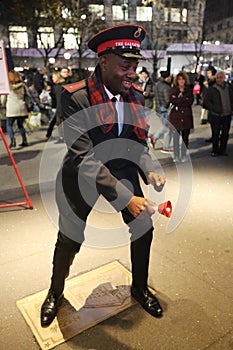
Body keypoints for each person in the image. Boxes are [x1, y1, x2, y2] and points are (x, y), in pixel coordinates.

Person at [40, 24, 166, 327]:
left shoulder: (134, 95)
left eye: (135, 65)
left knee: (143, 226)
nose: (132, 73)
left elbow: (136, 142)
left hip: (121, 170)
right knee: (70, 237)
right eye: (125, 65)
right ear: (104, 61)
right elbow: (84, 157)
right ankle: (55, 293)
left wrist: (148, 165)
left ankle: (139, 288)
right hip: (83, 175)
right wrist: (127, 198)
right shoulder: (75, 98)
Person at [203, 71, 233, 157]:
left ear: (224, 78)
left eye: (221, 77)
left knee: (225, 134)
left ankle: (222, 150)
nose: (220, 79)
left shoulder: (229, 88)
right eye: (218, 78)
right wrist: (214, 109)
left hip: (227, 115)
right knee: (215, 134)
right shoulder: (212, 89)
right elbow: (206, 102)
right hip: (216, 115)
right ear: (216, 79)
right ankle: (215, 150)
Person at [169, 71, 194, 162]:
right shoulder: (173, 89)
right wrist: (183, 99)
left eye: (183, 79)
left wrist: (179, 99)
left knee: (185, 138)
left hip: (186, 116)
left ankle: (183, 155)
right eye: (179, 79)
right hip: (176, 116)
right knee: (176, 138)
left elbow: (190, 101)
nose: (181, 81)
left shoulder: (189, 90)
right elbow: (173, 100)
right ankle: (176, 156)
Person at [0, 70, 29, 148]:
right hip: (22, 107)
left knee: (9, 125)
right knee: (20, 125)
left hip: (12, 108)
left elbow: (3, 99)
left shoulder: (8, 87)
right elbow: (27, 95)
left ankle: (12, 141)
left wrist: (2, 104)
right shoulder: (23, 86)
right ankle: (24, 140)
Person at [151, 70, 173, 154]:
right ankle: (163, 145)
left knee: (167, 127)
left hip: (158, 108)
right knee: (167, 128)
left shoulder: (158, 85)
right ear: (166, 78)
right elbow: (167, 100)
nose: (170, 78)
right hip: (164, 110)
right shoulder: (166, 87)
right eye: (169, 77)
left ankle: (158, 141)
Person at [45, 71, 65, 141]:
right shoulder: (57, 86)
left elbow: (59, 99)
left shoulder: (60, 87)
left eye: (53, 77)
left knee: (58, 121)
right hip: (59, 106)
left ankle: (61, 137)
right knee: (57, 121)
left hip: (60, 107)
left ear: (57, 77)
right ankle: (60, 136)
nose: (52, 79)